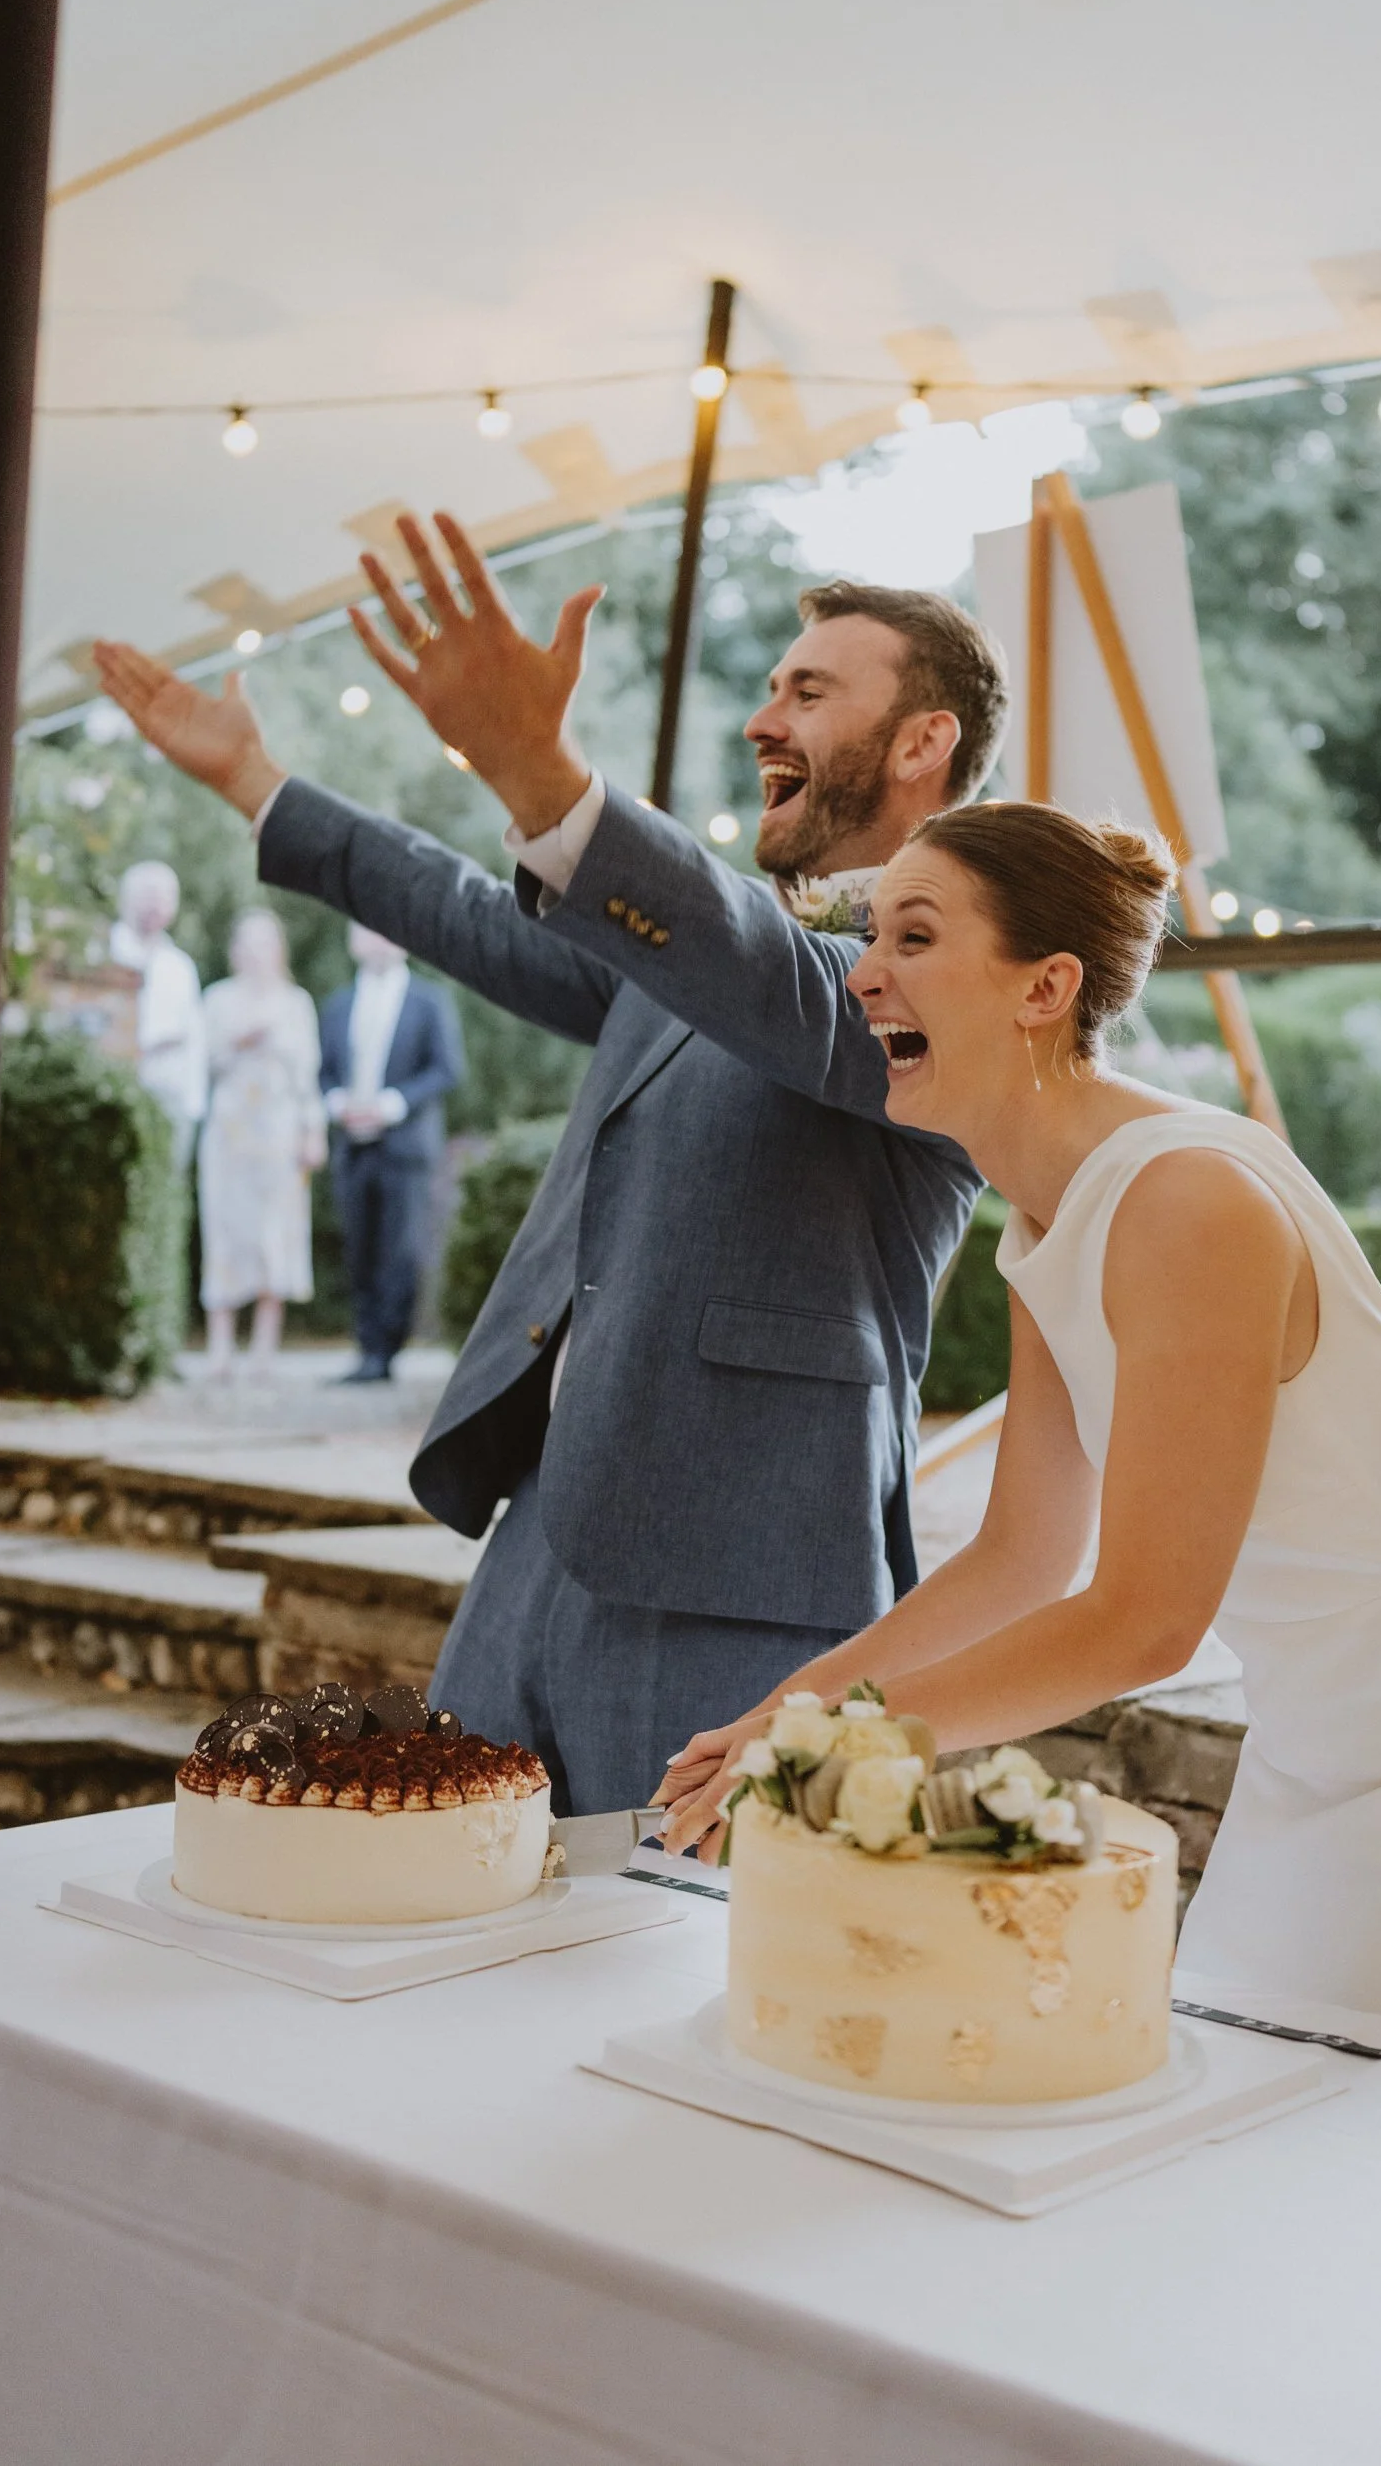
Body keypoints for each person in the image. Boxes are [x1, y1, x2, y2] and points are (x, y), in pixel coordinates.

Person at [657, 800, 1381, 2069]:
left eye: (913, 936)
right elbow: (1024, 1556)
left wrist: (833, 1745)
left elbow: (1144, 1618)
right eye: (871, 937)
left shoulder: (1185, 1198)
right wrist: (788, 1703)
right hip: (1318, 1758)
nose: (863, 974)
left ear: (1048, 986)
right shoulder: (1043, 1217)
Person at [90, 510, 1005, 1811]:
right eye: (766, 688)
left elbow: (769, 977)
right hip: (543, 1540)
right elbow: (479, 918)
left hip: (748, 1584)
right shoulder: (699, 946)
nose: (763, 719)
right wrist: (260, 784)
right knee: (459, 1931)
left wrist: (544, 773)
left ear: (923, 741)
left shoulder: (957, 975)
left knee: (671, 1983)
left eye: (808, 691)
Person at [320, 923, 465, 1383]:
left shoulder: (429, 1000)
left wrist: (391, 1105)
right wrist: (339, 1103)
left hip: (406, 1147)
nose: (376, 938)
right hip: (353, 1145)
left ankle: (386, 1350)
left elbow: (446, 1069)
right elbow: (323, 1072)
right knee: (359, 1247)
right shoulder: (339, 1003)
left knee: (400, 1251)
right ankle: (367, 1349)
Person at [197, 908, 325, 1377]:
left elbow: (308, 1077)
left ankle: (264, 1352)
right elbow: (202, 1064)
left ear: (278, 950)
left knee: (275, 1236)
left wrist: (314, 1131)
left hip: (279, 1135)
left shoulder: (296, 1003)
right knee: (225, 1233)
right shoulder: (217, 1001)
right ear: (235, 951)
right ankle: (220, 1349)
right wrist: (240, 1042)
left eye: (264, 942)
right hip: (229, 1132)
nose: (255, 952)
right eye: (246, 943)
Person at [110, 859, 207, 1167]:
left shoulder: (179, 967)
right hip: (114, 1094)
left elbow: (194, 1040)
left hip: (170, 1100)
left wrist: (193, 1106)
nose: (156, 905)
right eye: (149, 894)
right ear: (127, 898)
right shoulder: (103, 952)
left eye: (165, 897)